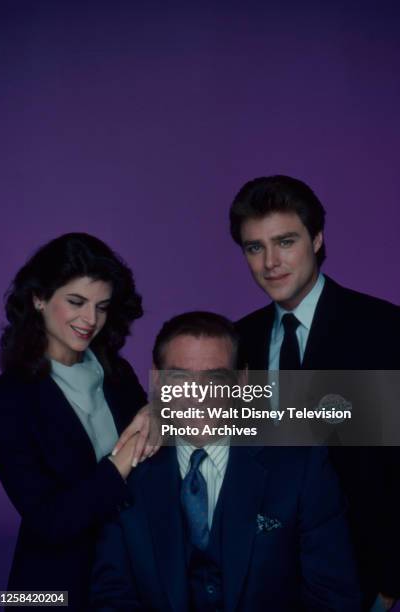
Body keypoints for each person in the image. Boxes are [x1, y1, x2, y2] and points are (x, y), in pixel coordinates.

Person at [90, 311, 362, 612]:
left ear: (242, 381)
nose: (198, 396)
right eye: (180, 378)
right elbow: (111, 598)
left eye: (215, 378)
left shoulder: (301, 466)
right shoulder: (128, 471)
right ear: (157, 380)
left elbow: (333, 598)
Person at [229, 175, 400, 611]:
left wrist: (392, 581)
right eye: (255, 247)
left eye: (285, 241)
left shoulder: (384, 329)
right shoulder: (237, 341)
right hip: (260, 578)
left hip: (364, 575)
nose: (271, 262)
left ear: (317, 239)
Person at [0, 233, 159, 610]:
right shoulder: (5, 401)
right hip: (49, 589)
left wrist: (156, 412)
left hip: (126, 578)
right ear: (38, 299)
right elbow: (51, 521)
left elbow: (155, 453)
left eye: (102, 307)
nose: (91, 320)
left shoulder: (116, 372)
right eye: (76, 302)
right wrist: (123, 459)